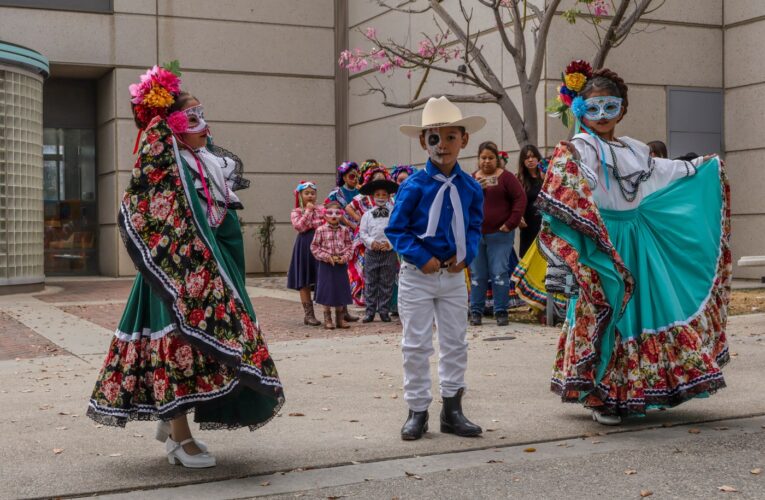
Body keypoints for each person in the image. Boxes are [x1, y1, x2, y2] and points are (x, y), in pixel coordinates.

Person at [86, 64, 284, 468]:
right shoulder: (165, 165)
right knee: (175, 344)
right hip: (174, 275)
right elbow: (155, 217)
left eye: (203, 115)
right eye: (192, 118)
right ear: (170, 126)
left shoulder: (207, 163)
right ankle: (178, 436)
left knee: (208, 347)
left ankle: (174, 424)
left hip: (212, 274)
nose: (203, 126)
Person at [541, 62, 730, 425]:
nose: (601, 115)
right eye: (592, 108)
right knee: (605, 309)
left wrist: (697, 167)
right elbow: (572, 177)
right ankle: (599, 393)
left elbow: (661, 171)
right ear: (579, 109)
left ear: (622, 109)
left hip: (637, 239)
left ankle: (636, 389)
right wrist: (571, 162)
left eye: (610, 107)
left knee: (644, 310)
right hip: (603, 242)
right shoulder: (583, 147)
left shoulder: (634, 149)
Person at [387, 96, 485, 440]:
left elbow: (474, 226)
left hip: (454, 276)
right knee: (415, 344)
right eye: (434, 138)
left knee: (456, 341)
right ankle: (417, 410)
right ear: (422, 141)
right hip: (419, 276)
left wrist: (467, 253)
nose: (442, 146)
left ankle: (452, 409)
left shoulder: (471, 187)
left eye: (450, 137)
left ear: (464, 140)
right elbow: (396, 230)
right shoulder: (413, 185)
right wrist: (420, 256)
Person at [469, 141, 527, 326]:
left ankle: (501, 311)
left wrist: (511, 223)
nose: (486, 161)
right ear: (478, 160)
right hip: (477, 235)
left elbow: (520, 199)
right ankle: (476, 312)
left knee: (499, 273)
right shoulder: (472, 179)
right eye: (483, 158)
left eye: (490, 158)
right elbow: (463, 204)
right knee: (477, 274)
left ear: (497, 159)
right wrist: (476, 190)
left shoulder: (507, 178)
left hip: (501, 235)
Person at [359, 176, 399, 322]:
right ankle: (369, 311)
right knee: (370, 282)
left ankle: (383, 310)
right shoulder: (367, 215)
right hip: (372, 252)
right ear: (372, 197)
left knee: (387, 282)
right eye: (378, 195)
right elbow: (362, 233)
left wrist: (389, 243)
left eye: (384, 195)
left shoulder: (394, 213)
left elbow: (397, 231)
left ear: (389, 197)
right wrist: (371, 242)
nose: (381, 197)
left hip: (388, 252)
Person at [325, 162, 361, 323]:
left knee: (353, 271)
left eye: (356, 176)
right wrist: (351, 224)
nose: (355, 179)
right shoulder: (336, 193)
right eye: (351, 176)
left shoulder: (361, 192)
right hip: (340, 236)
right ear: (344, 177)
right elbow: (331, 212)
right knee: (342, 272)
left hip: (359, 235)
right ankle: (339, 312)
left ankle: (345, 309)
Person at [311, 200, 354, 330]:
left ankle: (340, 318)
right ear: (325, 214)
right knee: (327, 290)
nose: (333, 216)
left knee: (340, 290)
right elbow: (314, 247)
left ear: (341, 214)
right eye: (330, 213)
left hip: (340, 264)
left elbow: (349, 246)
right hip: (326, 264)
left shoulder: (345, 230)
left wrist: (345, 257)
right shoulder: (320, 230)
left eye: (337, 213)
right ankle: (327, 318)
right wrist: (326, 257)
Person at [287, 181, 323, 326]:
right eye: (307, 193)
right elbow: (300, 226)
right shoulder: (296, 211)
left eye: (313, 193)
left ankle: (340, 311)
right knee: (305, 279)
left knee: (327, 276)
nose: (310, 196)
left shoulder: (321, 209)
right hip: (304, 245)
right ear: (300, 195)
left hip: (321, 244)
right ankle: (309, 315)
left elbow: (324, 222)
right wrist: (308, 212)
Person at [516, 144, 545, 258]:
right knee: (528, 258)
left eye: (533, 156)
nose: (530, 160)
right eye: (527, 157)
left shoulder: (546, 176)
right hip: (528, 225)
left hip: (545, 223)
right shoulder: (519, 180)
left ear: (538, 158)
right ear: (523, 161)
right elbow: (515, 201)